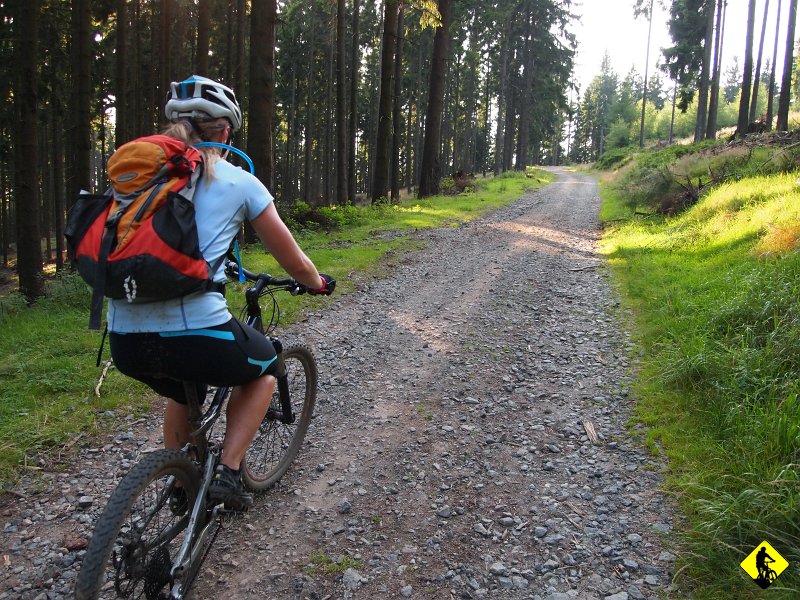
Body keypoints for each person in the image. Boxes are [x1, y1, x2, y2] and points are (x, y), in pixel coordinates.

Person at [107, 75, 334, 511]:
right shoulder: (239, 182)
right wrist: (316, 283)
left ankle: (179, 483)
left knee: (180, 390)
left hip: (124, 338)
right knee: (265, 367)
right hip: (196, 333)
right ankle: (230, 474)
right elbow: (294, 261)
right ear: (225, 133)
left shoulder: (135, 181)